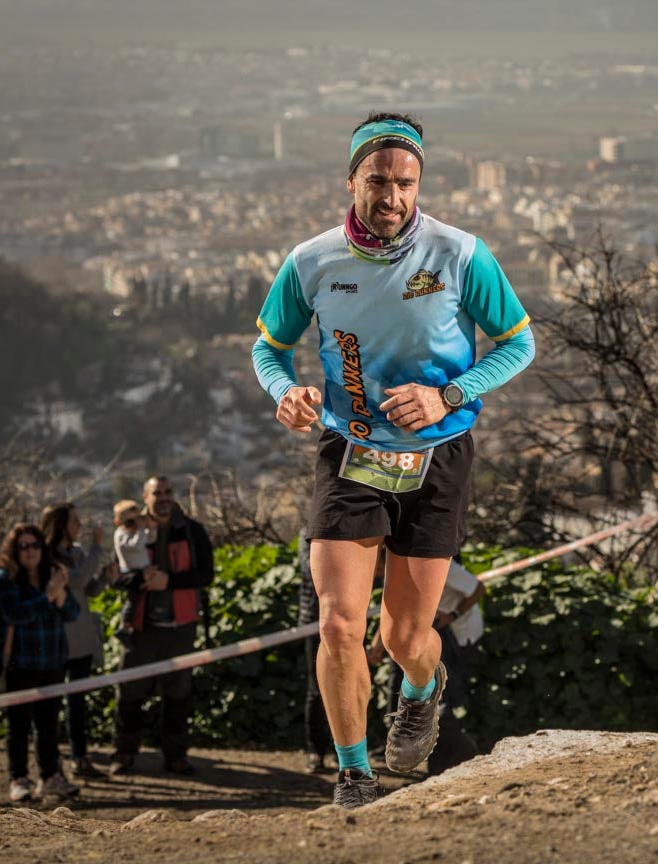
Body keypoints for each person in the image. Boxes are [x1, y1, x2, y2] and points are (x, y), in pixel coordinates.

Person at [251, 111, 535, 808]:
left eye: (405, 184)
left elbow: (518, 343)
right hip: (350, 450)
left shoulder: (461, 253)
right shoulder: (311, 261)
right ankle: (354, 772)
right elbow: (268, 349)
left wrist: (449, 395)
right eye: (378, 182)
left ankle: (422, 687)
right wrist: (286, 393)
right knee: (339, 623)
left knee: (406, 636)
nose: (392, 198)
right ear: (351, 181)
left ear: (420, 184)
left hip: (438, 456)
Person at [108, 475, 214, 777]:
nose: (165, 497)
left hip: (181, 627)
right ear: (145, 497)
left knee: (178, 694)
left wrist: (170, 581)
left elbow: (206, 575)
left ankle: (176, 755)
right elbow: (114, 576)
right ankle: (124, 754)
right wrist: (142, 580)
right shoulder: (128, 529)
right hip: (139, 626)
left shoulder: (192, 531)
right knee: (129, 692)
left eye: (168, 492)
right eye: (158, 493)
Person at [0, 524, 80, 802]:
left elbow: (73, 612)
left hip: (52, 661)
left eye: (35, 545)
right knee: (18, 725)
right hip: (20, 663)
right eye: (23, 546)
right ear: (13, 551)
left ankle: (50, 776)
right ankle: (18, 778)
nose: (30, 551)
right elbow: (17, 614)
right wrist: (49, 596)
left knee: (48, 724)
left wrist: (59, 593)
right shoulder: (4, 580)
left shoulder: (49, 575)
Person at [368, 556, 485, 774]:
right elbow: (394, 610)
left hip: (457, 635)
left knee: (439, 702)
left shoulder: (435, 562)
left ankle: (455, 758)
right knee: (402, 693)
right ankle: (427, 755)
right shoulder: (393, 573)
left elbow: (478, 588)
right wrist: (377, 645)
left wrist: (453, 615)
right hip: (422, 631)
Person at [40, 502, 108, 780]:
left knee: (77, 702)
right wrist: (98, 548)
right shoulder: (48, 557)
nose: (79, 525)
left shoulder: (77, 552)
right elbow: (77, 580)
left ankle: (80, 758)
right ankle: (53, 763)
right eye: (74, 521)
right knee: (53, 705)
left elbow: (87, 590)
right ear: (60, 525)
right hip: (60, 640)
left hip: (81, 638)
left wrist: (105, 578)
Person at [296, 535, 333, 772]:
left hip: (348, 621)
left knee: (349, 685)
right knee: (317, 690)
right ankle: (316, 752)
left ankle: (346, 751)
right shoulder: (307, 535)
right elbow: (316, 573)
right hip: (315, 622)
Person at [112, 499, 156, 573]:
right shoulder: (120, 535)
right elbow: (136, 546)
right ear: (117, 522)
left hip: (145, 569)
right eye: (130, 522)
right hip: (129, 572)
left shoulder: (137, 532)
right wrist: (140, 528)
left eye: (138, 519)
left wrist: (150, 527)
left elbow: (152, 539)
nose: (135, 524)